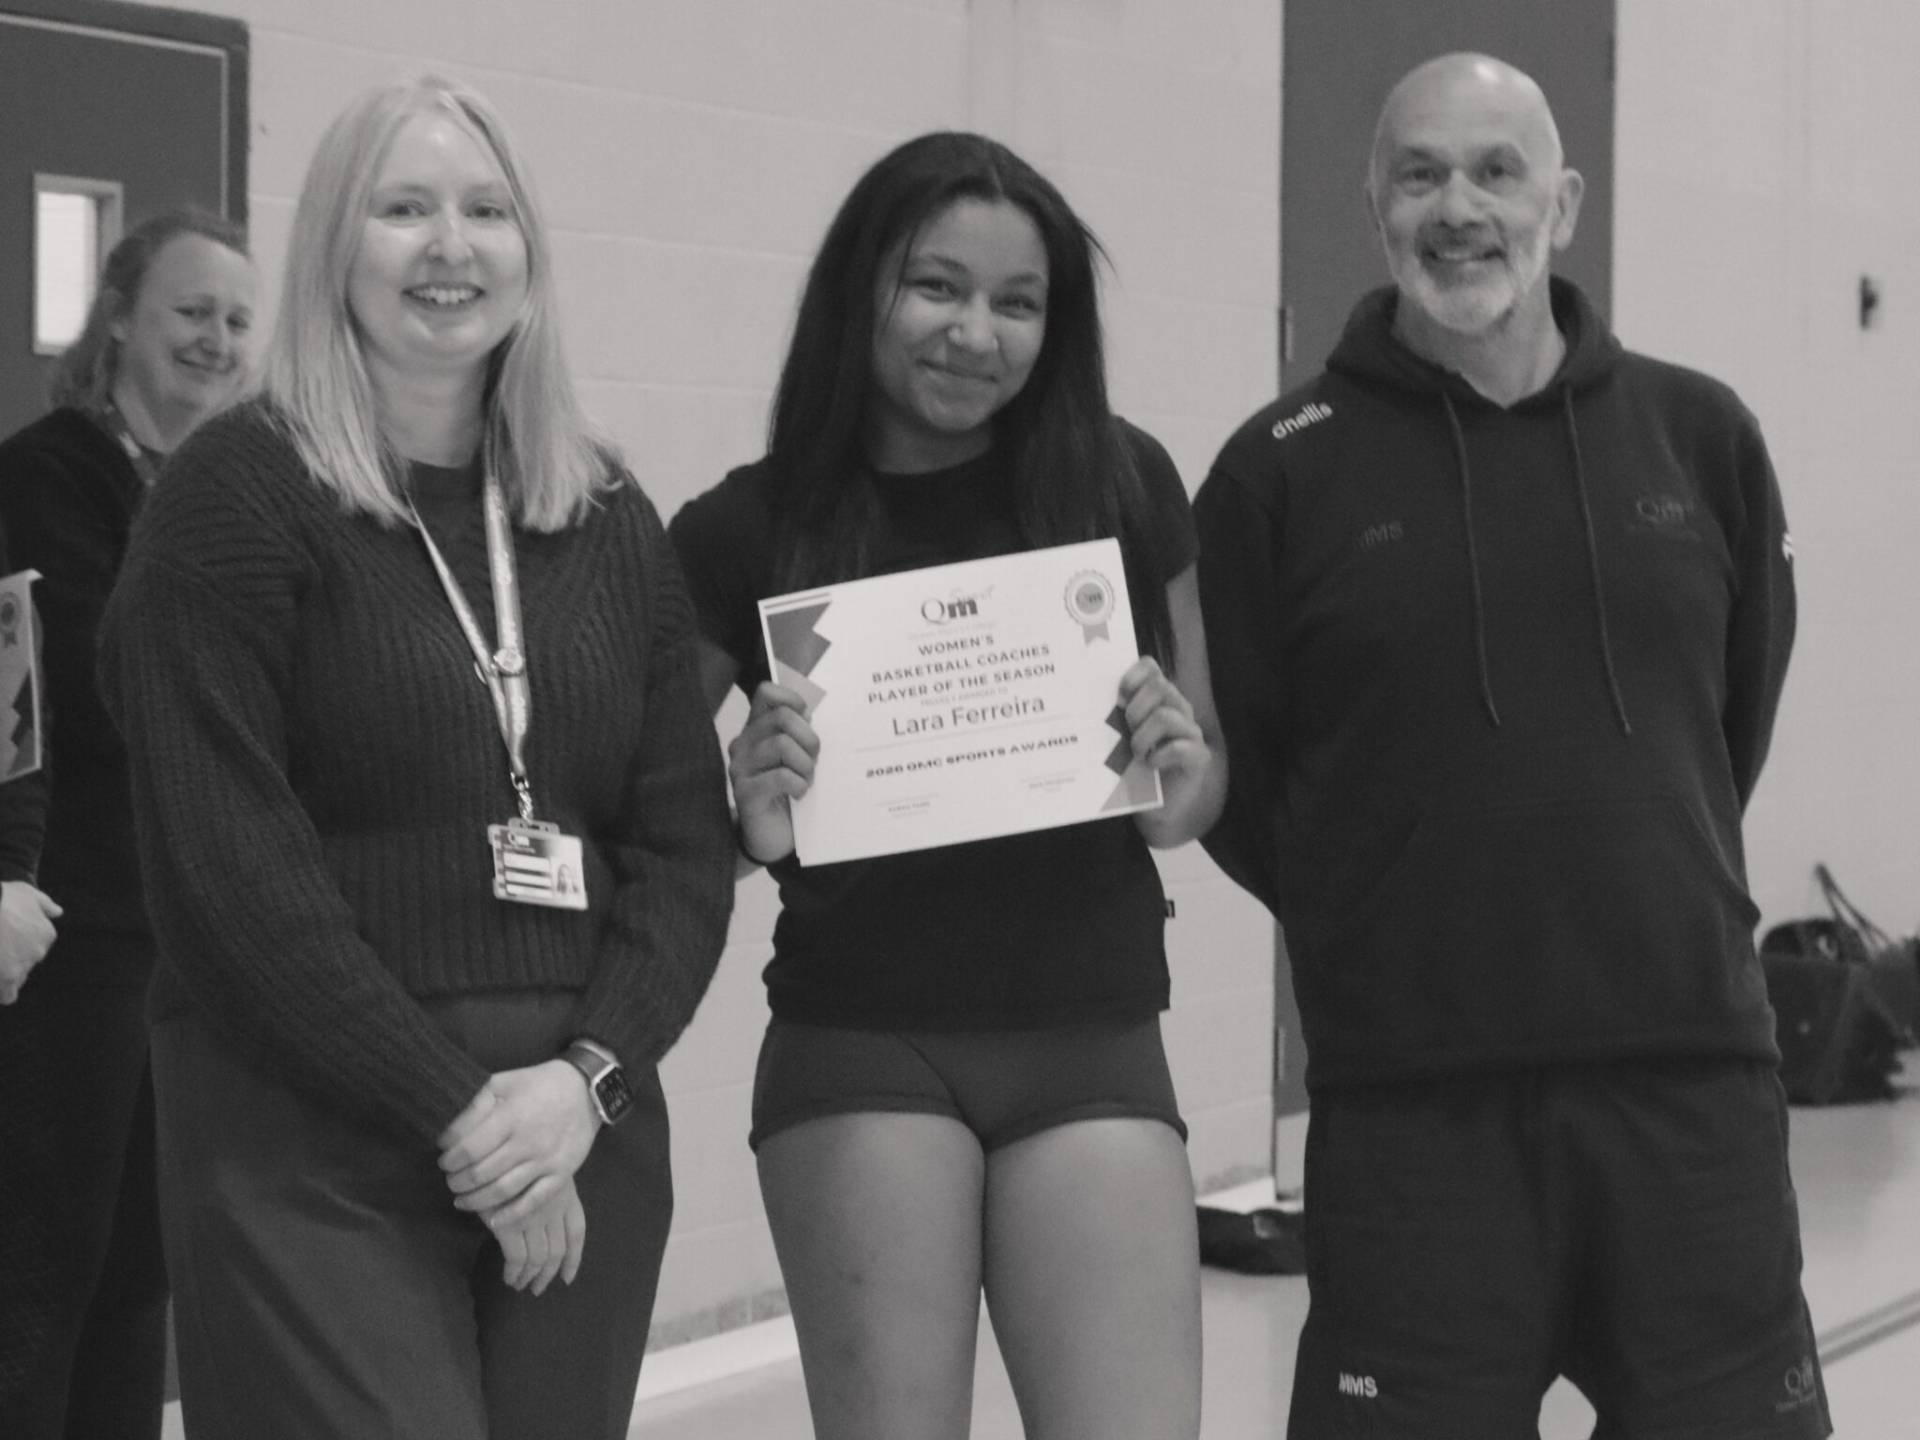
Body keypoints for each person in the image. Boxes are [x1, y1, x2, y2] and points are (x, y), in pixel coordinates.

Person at [1196, 52, 1828, 1439]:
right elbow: (1247, 780)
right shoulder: (1277, 471)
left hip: (1689, 1092)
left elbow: (1728, 723)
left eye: (1496, 170)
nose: (1459, 207)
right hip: (1413, 1113)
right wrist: (1382, 904)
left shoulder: (1700, 434)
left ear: (1568, 199)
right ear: (1376, 206)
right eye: (1419, 173)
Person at [95, 76, 734, 1439]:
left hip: (577, 1125)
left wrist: (588, 1082)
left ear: (530, 254)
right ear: (335, 244)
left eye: (486, 210)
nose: (451, 246)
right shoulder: (234, 496)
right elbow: (228, 877)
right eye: (404, 209)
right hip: (310, 1126)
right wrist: (467, 1122)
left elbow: (682, 846)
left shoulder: (605, 515)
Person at [670, 130, 1224, 1440]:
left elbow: (1196, 798)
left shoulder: (1124, 484)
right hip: (864, 1043)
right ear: (861, 289)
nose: (976, 333)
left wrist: (1175, 770)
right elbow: (650, 831)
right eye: (937, 287)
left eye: (1017, 303)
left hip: (1091, 1032)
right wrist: (742, 820)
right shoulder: (738, 531)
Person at [0, 207, 255, 1440]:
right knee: (43, 1266)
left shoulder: (222, 489)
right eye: (191, 312)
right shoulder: (50, 472)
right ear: (120, 323)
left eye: (239, 321)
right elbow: (90, 691)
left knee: (141, 1274)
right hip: (69, 936)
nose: (219, 340)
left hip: (178, 942)